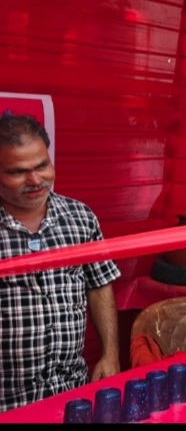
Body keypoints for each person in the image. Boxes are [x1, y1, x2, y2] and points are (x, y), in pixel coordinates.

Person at [0, 112, 121, 412]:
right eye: (18, 172)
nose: (35, 180)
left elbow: (98, 284)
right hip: (8, 404)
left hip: (71, 394)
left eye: (42, 165)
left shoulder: (79, 217)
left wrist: (110, 353)